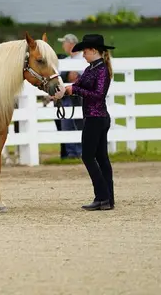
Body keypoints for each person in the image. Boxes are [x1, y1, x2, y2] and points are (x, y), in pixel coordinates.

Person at [62, 34, 115, 211]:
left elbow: (98, 95)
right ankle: (107, 199)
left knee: (88, 156)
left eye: (85, 51)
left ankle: (102, 196)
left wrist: (74, 90)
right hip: (96, 118)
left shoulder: (101, 70)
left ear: (94, 51)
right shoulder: (93, 68)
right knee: (101, 158)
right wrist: (64, 90)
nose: (83, 55)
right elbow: (78, 84)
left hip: (96, 118)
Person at [57, 34, 85, 159]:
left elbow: (76, 77)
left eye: (64, 43)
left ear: (71, 44)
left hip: (78, 97)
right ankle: (71, 153)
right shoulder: (67, 60)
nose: (63, 45)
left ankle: (80, 151)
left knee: (79, 123)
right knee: (66, 124)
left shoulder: (81, 59)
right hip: (66, 97)